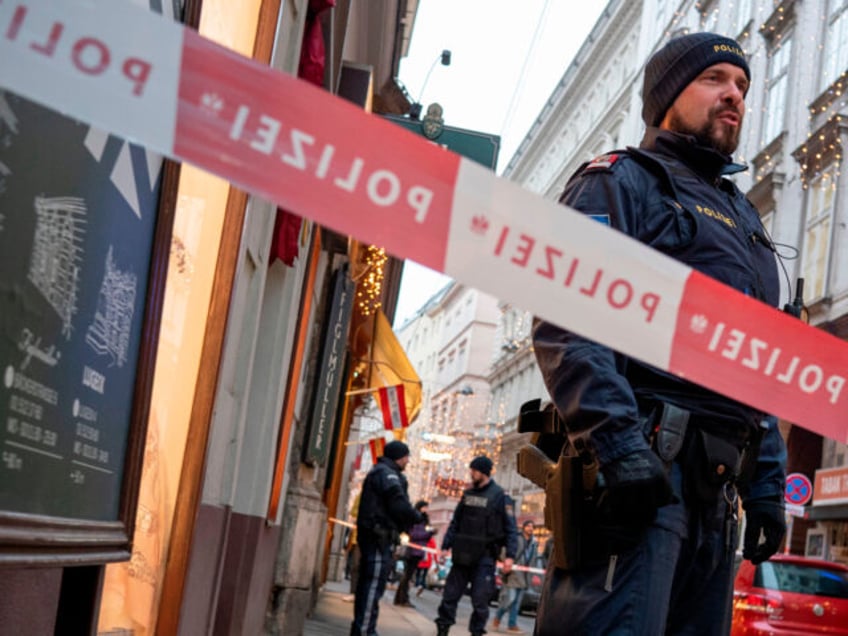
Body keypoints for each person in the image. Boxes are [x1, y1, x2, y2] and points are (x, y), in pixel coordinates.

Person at [531, 32, 787, 635]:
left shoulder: (745, 218)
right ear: (668, 94)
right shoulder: (622, 180)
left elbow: (758, 359)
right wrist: (618, 446)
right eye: (715, 80)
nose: (734, 97)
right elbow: (567, 317)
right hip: (643, 470)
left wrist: (768, 484)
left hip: (716, 492)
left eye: (743, 86)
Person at [435, 456, 518, 636]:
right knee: (449, 597)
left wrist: (510, 556)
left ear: (484, 472)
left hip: (485, 557)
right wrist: (445, 546)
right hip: (462, 554)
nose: (471, 473)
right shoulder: (468, 494)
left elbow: (511, 528)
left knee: (480, 602)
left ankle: (477, 632)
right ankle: (442, 630)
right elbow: (455, 523)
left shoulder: (500, 497)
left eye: (474, 470)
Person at [350, 440, 423, 636]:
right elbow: (397, 503)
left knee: (372, 587)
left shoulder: (384, 472)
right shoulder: (386, 474)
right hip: (377, 537)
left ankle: (365, 628)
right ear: (399, 457)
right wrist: (415, 516)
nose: (408, 461)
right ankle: (364, 630)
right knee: (372, 586)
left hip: (378, 536)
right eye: (406, 457)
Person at [493, 520, 537, 633]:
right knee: (509, 599)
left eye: (532, 527)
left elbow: (533, 559)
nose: (530, 528)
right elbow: (505, 552)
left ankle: (511, 625)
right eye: (528, 526)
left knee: (516, 604)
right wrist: (506, 563)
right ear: (524, 527)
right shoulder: (516, 538)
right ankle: (497, 618)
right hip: (513, 574)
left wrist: (531, 575)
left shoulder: (533, 542)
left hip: (524, 576)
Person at [393, 500, 434, 607]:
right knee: (407, 576)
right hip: (413, 551)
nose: (426, 510)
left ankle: (401, 597)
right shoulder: (416, 518)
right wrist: (429, 533)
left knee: (408, 576)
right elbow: (415, 534)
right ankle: (402, 598)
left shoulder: (423, 519)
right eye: (425, 507)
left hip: (418, 551)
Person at [415, 530, 438, 596]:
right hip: (428, 561)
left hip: (420, 559)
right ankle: (422, 585)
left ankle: (418, 585)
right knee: (424, 575)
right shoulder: (433, 542)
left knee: (418, 573)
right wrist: (436, 562)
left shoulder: (423, 540)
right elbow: (435, 553)